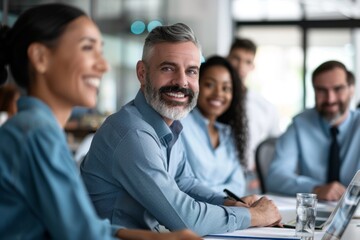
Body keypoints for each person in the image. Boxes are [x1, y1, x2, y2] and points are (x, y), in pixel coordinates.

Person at [0, 3, 201, 240]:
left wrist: (156, 237)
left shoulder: (36, 129)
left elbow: (80, 225)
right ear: (41, 58)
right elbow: (81, 235)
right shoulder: (35, 133)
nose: (103, 65)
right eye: (87, 48)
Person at [80, 23, 281, 236]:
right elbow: (186, 219)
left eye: (191, 71)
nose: (182, 82)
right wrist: (256, 216)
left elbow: (184, 183)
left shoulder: (170, 124)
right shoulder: (134, 133)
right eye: (168, 68)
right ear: (142, 73)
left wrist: (230, 203)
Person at [266, 60, 360, 201]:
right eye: (321, 90)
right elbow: (275, 176)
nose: (330, 99)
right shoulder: (300, 124)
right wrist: (316, 188)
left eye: (338, 89)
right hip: (313, 211)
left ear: (351, 90)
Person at [180, 55, 248, 196]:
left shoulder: (228, 133)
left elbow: (239, 185)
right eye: (209, 85)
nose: (218, 93)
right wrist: (222, 195)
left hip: (227, 210)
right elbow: (183, 186)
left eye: (226, 88)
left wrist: (210, 192)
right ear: (196, 85)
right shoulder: (180, 125)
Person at [227, 38, 281, 194]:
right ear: (228, 59)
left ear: (252, 66)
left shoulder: (265, 107)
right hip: (218, 174)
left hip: (251, 176)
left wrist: (262, 170)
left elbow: (272, 146)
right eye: (236, 58)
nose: (240, 66)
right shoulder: (214, 101)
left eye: (247, 61)